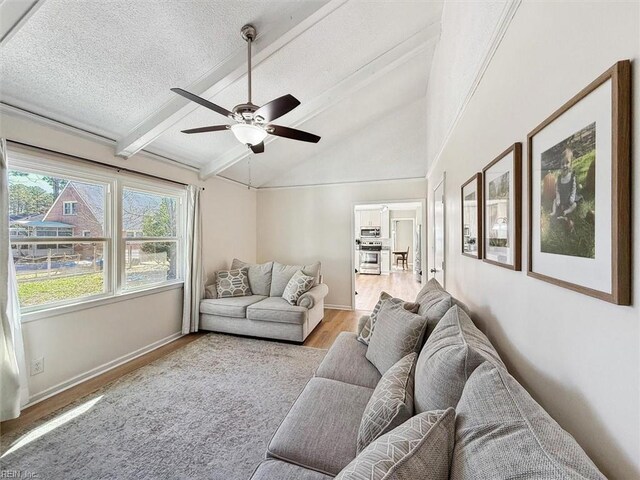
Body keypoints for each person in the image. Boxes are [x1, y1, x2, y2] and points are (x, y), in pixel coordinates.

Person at [551, 147, 578, 220]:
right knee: (554, 200)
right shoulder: (559, 178)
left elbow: (573, 188)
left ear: (571, 163)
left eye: (567, 163)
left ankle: (567, 211)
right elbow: (557, 189)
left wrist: (572, 197)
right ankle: (553, 212)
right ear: (560, 165)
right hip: (562, 199)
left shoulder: (572, 177)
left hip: (569, 199)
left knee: (574, 204)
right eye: (562, 164)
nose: (565, 165)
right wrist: (558, 198)